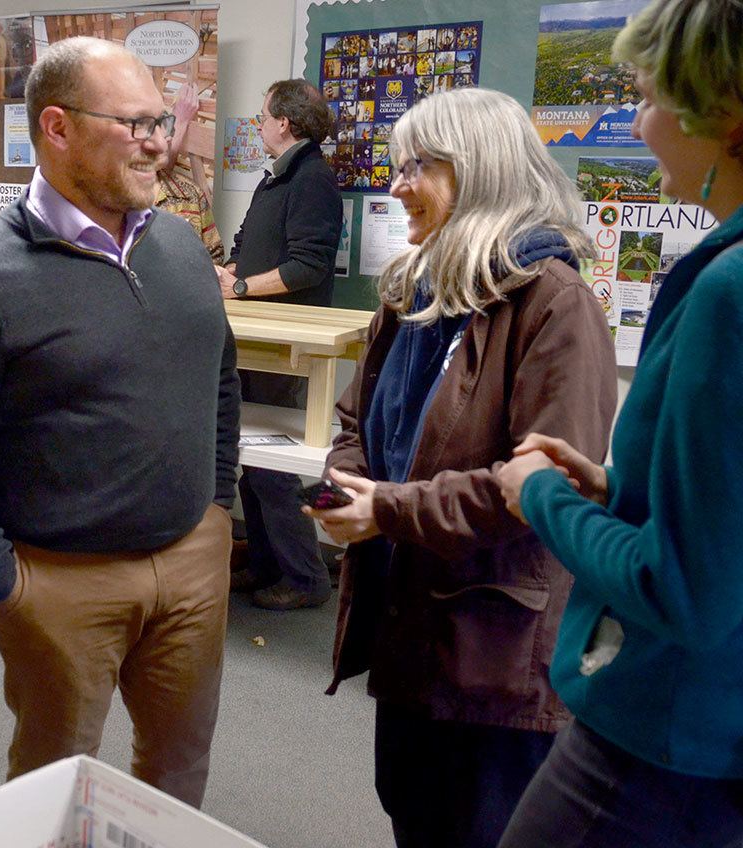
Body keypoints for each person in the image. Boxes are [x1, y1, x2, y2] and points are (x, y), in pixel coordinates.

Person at [0, 37, 240, 808]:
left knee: (179, 774)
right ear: (57, 127)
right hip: (59, 583)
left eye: (160, 119)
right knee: (51, 787)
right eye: (136, 124)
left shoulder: (180, 247)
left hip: (192, 562)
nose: (158, 141)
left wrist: (218, 509)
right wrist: (9, 586)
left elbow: (217, 374)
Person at [312, 87, 617, 848]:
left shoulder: (555, 302)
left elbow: (549, 489)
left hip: (495, 659)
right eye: (396, 165)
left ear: (478, 169)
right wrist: (350, 486)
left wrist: (386, 509)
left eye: (417, 165)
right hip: (408, 630)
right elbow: (357, 418)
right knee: (414, 809)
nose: (395, 185)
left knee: (480, 827)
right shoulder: (417, 290)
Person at [495, 2, 743, 844]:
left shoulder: (728, 291)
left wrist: (544, 499)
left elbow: (681, 588)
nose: (637, 126)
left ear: (723, 110)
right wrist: (628, 489)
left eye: (646, 97)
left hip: (662, 742)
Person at [216, 78, 343, 610]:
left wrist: (241, 286)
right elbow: (249, 246)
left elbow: (309, 265)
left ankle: (305, 579)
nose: (258, 123)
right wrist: (228, 272)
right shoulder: (277, 178)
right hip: (257, 339)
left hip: (287, 348)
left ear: (283, 122)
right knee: (250, 459)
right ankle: (268, 566)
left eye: (262, 115)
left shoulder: (312, 179)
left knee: (274, 469)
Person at [155, 82, 223, 263]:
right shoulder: (108, 196)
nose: (168, 137)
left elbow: (214, 257)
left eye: (168, 128)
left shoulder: (191, 195)